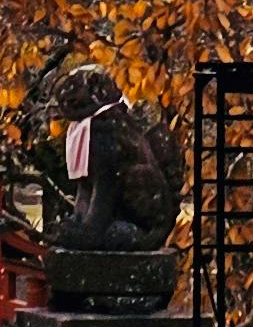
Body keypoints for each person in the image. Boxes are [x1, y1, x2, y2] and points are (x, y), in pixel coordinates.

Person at [43, 62, 183, 252]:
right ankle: (86, 221)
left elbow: (106, 185)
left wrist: (91, 229)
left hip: (141, 216)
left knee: (130, 179)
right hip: (115, 210)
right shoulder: (85, 130)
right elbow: (85, 183)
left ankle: (131, 228)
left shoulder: (107, 130)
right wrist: (79, 219)